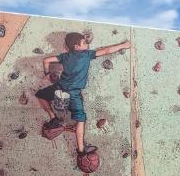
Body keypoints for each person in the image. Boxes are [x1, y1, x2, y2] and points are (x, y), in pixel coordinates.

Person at [36, 32, 131, 160]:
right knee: (80, 119)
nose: (87, 44)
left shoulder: (65, 56)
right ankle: (81, 150)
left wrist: (47, 74)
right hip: (74, 94)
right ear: (76, 47)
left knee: (41, 96)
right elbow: (106, 51)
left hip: (60, 87)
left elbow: (46, 60)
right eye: (84, 43)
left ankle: (53, 118)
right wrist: (123, 45)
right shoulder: (87, 54)